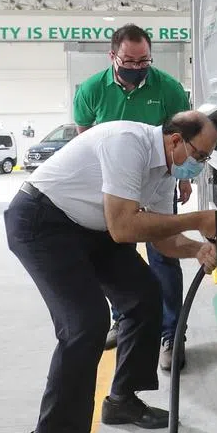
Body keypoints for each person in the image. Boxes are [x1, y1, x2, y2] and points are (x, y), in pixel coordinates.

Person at [6, 111, 217, 433]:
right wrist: (198, 219)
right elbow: (123, 227)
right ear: (175, 140)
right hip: (43, 222)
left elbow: (163, 238)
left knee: (144, 296)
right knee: (85, 323)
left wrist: (196, 249)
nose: (199, 165)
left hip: (93, 227)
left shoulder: (165, 170)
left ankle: (122, 400)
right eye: (199, 155)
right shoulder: (127, 143)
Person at [73, 24, 193, 371]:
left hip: (157, 181)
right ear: (113, 56)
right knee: (114, 256)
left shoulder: (168, 89)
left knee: (164, 256)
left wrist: (184, 178)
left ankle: (172, 335)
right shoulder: (91, 90)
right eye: (130, 61)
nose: (138, 68)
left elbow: (181, 139)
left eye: (144, 61)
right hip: (113, 186)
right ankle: (122, 319)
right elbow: (84, 139)